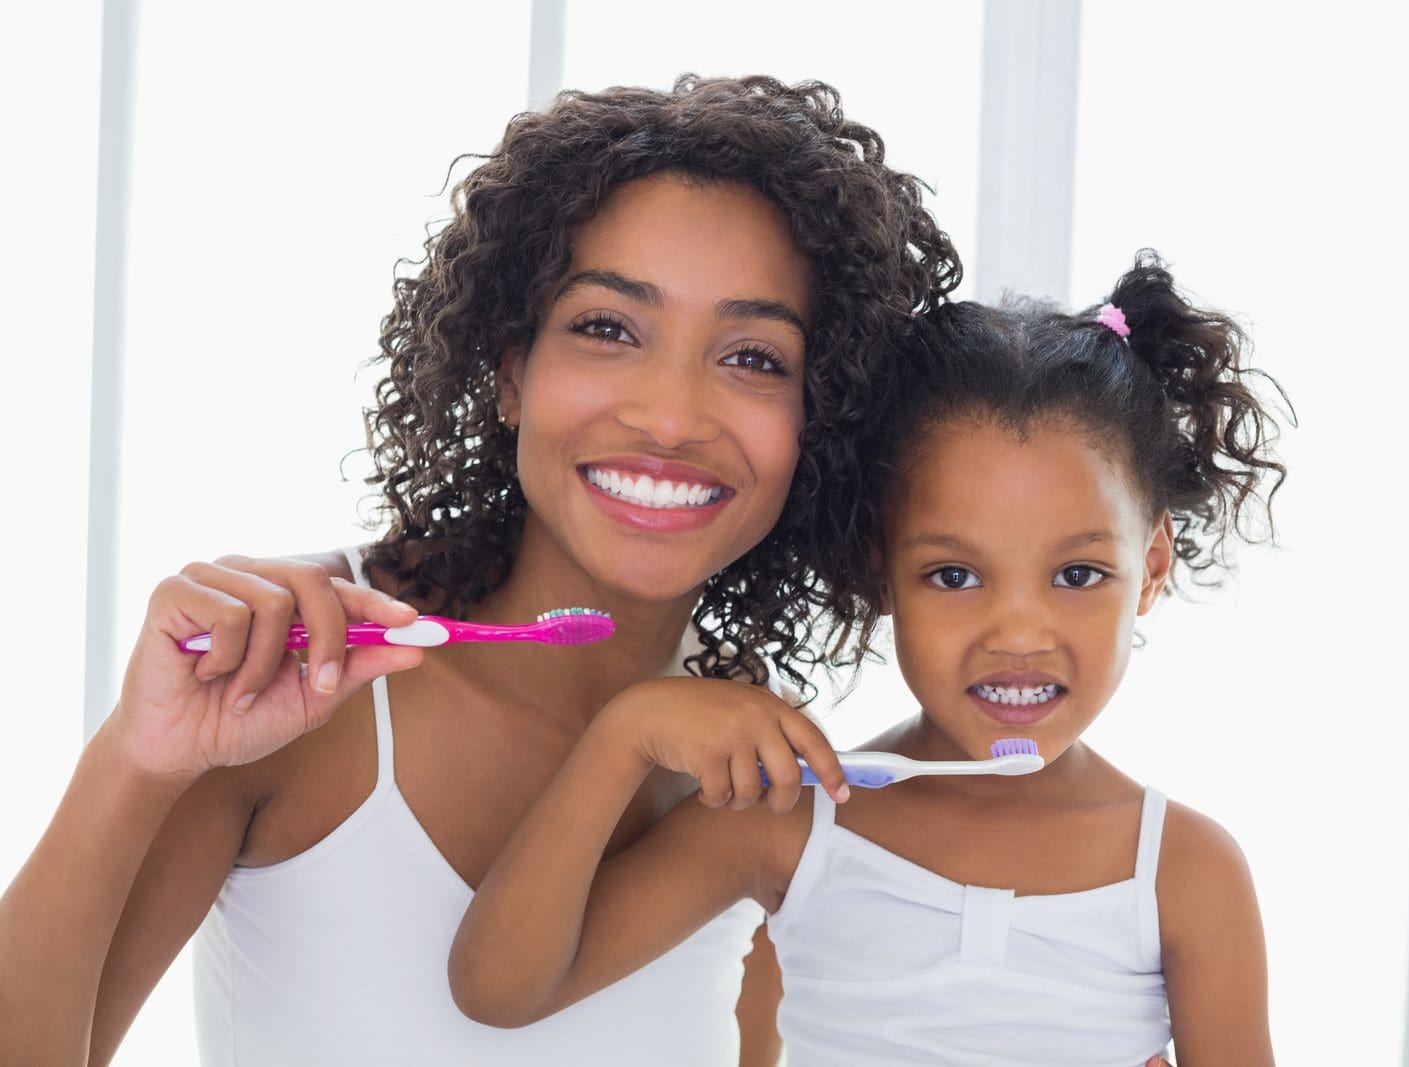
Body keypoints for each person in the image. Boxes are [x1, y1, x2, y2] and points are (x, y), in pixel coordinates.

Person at [0, 75, 961, 1067]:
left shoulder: (756, 771)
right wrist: (136, 757)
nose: (672, 416)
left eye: (754, 356)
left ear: (821, 418)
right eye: (607, 327)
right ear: (510, 369)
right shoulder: (306, 672)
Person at [448, 252, 1286, 1066]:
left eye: (1078, 573)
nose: (1020, 633)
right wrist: (624, 734)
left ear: (1153, 568)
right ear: (877, 568)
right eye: (954, 574)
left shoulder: (1183, 873)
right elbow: (500, 988)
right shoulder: (793, 818)